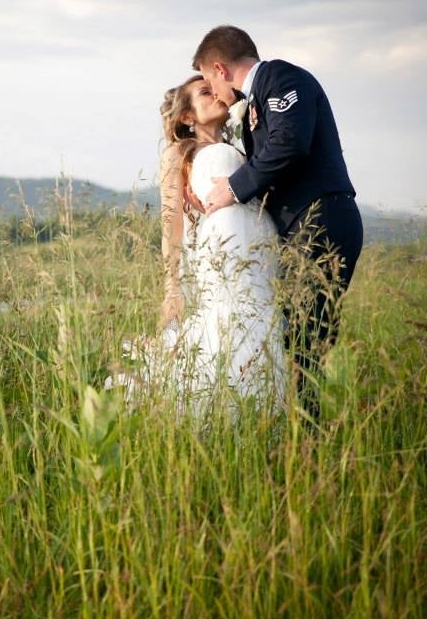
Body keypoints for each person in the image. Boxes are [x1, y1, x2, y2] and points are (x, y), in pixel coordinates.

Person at [191, 25, 363, 419]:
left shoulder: (282, 77)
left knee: (306, 342)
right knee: (300, 340)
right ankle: (301, 431)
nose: (212, 90)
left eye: (206, 80)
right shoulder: (257, 97)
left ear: (219, 68)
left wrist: (232, 190)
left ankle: (311, 441)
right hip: (302, 227)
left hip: (320, 221)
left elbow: (290, 143)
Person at [106, 75, 286, 417]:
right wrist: (171, 287)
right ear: (187, 116)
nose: (215, 93)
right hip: (207, 264)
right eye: (205, 92)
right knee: (210, 341)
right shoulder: (180, 153)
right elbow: (170, 224)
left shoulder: (244, 151)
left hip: (253, 264)